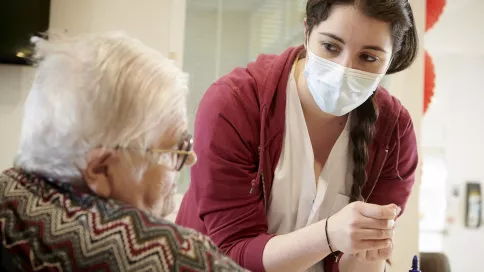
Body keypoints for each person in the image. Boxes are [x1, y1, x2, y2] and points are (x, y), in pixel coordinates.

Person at [176, 0, 419, 271]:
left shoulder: (395, 132)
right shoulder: (234, 104)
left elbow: (363, 257)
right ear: (307, 32)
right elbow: (232, 252)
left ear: (390, 61)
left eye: (368, 57)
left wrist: (367, 254)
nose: (344, 69)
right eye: (330, 47)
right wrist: (328, 235)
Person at [0, 32, 246, 272]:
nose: (190, 158)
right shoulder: (177, 258)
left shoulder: (11, 197)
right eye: (176, 149)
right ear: (101, 170)